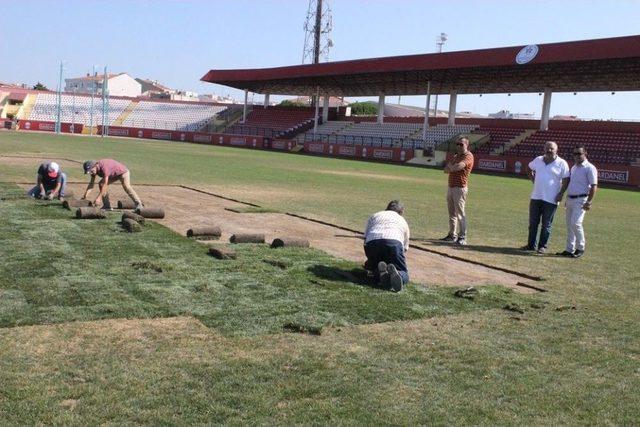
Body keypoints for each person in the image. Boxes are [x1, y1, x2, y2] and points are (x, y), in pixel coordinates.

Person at [524, 141, 570, 254]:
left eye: (552, 149)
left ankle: (542, 246)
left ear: (556, 150)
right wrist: (533, 179)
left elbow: (566, 179)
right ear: (544, 149)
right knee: (533, 223)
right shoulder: (538, 160)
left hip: (551, 199)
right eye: (547, 148)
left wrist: (561, 193)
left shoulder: (562, 163)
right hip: (536, 196)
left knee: (546, 224)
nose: (549, 150)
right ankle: (530, 245)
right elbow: (528, 168)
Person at [557, 146, 598, 258]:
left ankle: (580, 248)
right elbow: (572, 183)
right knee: (569, 225)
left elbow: (594, 186)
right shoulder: (574, 167)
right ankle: (569, 249)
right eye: (575, 154)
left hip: (581, 199)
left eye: (579, 154)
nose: (577, 156)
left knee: (576, 223)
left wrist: (589, 202)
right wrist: (566, 197)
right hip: (570, 199)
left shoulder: (590, 168)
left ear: (585, 153)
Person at [364, 200, 410, 292]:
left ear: (386, 209)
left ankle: (379, 273)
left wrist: (370, 261)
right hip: (393, 243)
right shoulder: (402, 220)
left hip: (372, 242)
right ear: (401, 212)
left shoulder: (375, 215)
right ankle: (399, 275)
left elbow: (365, 239)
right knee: (404, 273)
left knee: (373, 269)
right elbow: (404, 248)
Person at [441, 136, 474, 245]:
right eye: (457, 144)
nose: (459, 146)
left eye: (461, 144)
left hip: (460, 188)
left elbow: (458, 167)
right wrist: (451, 167)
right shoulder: (456, 156)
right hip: (451, 187)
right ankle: (452, 234)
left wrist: (451, 167)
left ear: (466, 145)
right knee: (451, 213)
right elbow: (445, 170)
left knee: (460, 213)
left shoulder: (468, 156)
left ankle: (462, 237)